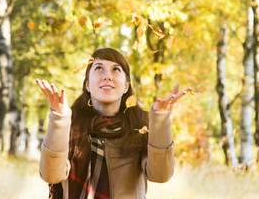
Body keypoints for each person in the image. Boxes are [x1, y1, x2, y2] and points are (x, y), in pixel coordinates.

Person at [36, 48, 191, 199]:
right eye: (99, 68)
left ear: (126, 86)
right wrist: (59, 118)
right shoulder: (69, 126)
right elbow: (51, 175)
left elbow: (160, 175)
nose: (107, 76)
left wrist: (160, 119)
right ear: (88, 85)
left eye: (116, 69)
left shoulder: (140, 126)